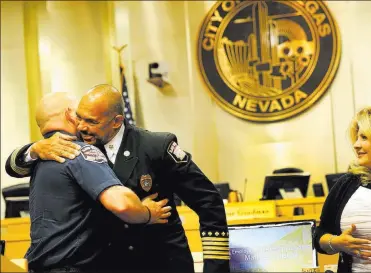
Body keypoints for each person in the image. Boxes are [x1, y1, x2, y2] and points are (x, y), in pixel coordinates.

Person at [5, 84, 230, 273]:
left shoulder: (155, 147)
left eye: (91, 121)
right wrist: (34, 148)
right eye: (79, 118)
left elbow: (209, 203)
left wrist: (216, 267)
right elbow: (15, 167)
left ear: (116, 121)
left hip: (161, 263)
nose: (82, 127)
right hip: (111, 265)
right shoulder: (79, 148)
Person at [18, 92, 171, 273]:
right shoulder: (77, 152)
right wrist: (147, 213)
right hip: (73, 267)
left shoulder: (38, 157)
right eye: (80, 115)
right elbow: (121, 204)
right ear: (69, 115)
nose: (83, 123)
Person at [313, 107, 371, 273]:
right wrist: (337, 243)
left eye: (364, 137)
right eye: (356, 138)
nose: (356, 145)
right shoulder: (346, 184)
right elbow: (319, 235)